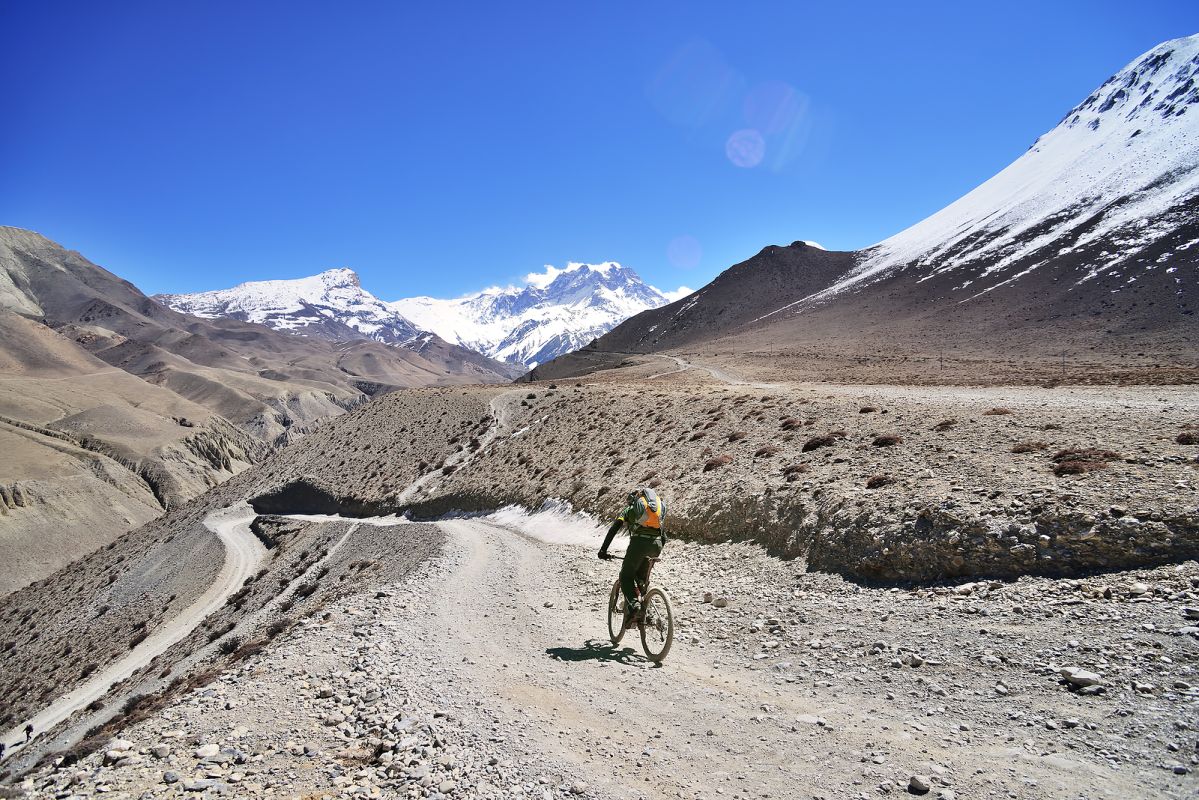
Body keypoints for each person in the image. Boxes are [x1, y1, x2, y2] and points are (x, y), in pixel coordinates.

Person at [598, 487, 667, 625]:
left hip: (638, 545)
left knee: (625, 576)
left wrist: (603, 550)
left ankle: (635, 606)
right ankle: (648, 613)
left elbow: (614, 528)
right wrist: (656, 549)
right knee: (642, 579)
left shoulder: (631, 509)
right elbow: (663, 535)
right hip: (657, 545)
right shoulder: (657, 510)